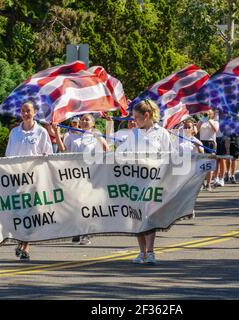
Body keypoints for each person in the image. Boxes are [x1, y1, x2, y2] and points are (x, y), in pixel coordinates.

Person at [118, 99, 172, 264]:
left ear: (146, 115)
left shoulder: (162, 133)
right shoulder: (133, 134)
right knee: (136, 217)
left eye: (136, 117)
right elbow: (119, 154)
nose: (134, 120)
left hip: (153, 181)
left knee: (148, 217)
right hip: (134, 181)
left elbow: (169, 156)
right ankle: (141, 252)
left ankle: (151, 252)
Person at [5, 101, 53, 261]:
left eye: (29, 111)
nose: (26, 114)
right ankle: (21, 241)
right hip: (16, 178)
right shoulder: (15, 133)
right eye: (23, 111)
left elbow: (48, 155)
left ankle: (25, 245)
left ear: (35, 112)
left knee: (31, 212)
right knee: (17, 212)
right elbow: (8, 156)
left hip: (34, 178)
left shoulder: (41, 132)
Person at [70, 113, 109, 245]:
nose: (85, 121)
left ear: (93, 123)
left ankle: (86, 233)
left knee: (88, 205)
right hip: (78, 175)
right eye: (82, 120)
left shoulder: (96, 137)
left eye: (88, 120)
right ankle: (77, 230)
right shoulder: (76, 140)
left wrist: (99, 139)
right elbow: (70, 158)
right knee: (77, 204)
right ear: (79, 123)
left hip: (93, 175)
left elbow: (106, 150)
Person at [196, 110, 218, 191]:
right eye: (205, 114)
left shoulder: (214, 122)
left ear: (211, 114)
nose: (206, 115)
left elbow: (215, 130)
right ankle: (202, 183)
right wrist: (202, 120)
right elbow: (196, 130)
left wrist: (209, 120)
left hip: (211, 142)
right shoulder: (201, 121)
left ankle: (209, 184)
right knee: (202, 164)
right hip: (202, 142)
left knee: (210, 164)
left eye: (208, 114)